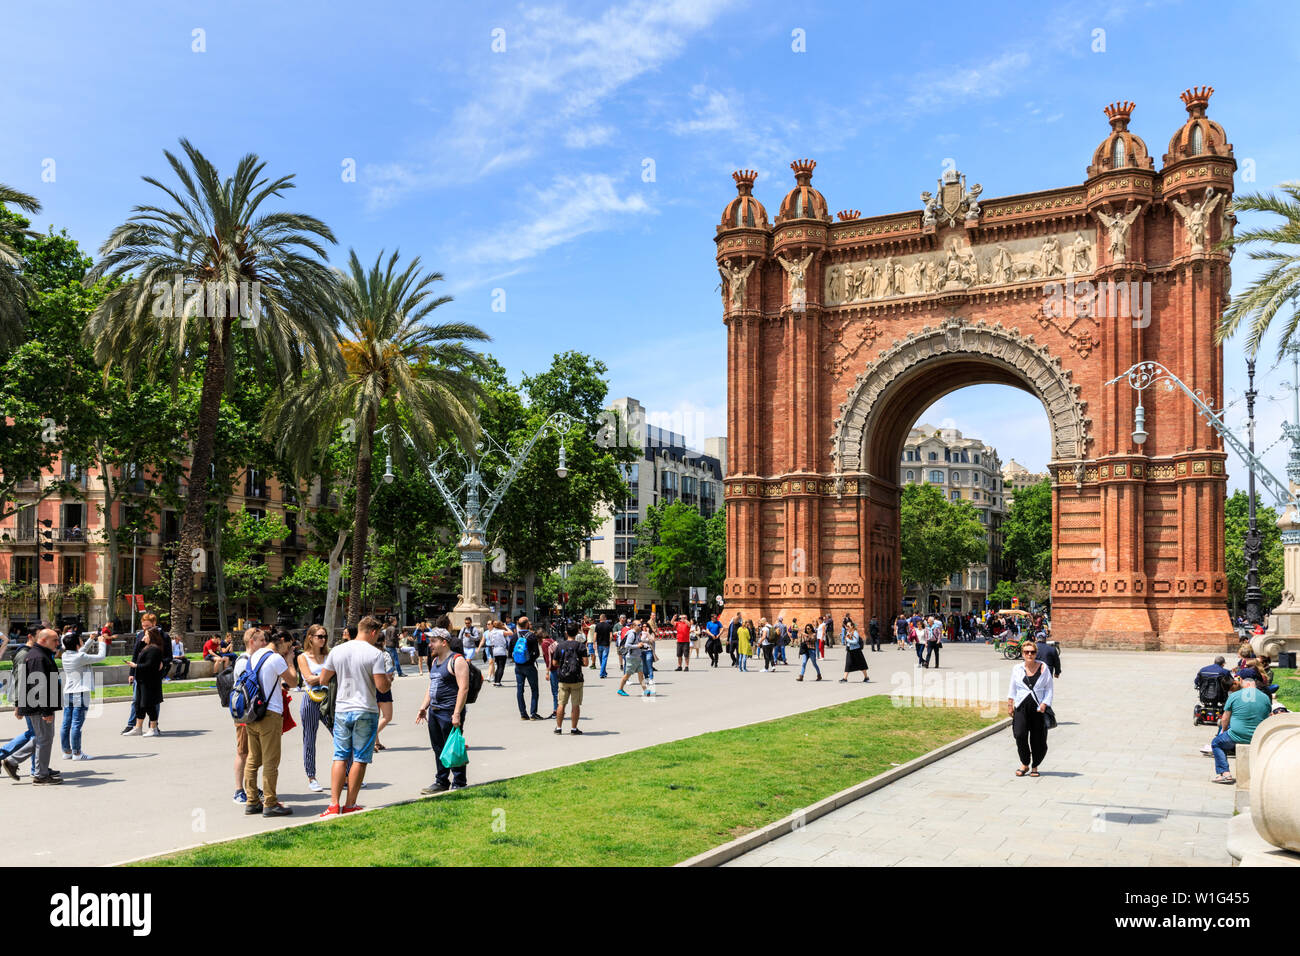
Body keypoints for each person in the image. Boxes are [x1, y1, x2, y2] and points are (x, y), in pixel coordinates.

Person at [318, 616, 389, 815]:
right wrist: (389, 680)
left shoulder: (338, 650)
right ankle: (350, 804)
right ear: (373, 632)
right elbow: (381, 686)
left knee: (340, 756)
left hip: (342, 707)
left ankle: (333, 804)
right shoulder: (375, 654)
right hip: (365, 708)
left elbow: (323, 678)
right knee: (359, 758)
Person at [232, 628, 298, 816]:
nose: (289, 649)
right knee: (271, 760)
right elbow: (293, 682)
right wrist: (290, 662)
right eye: (289, 645)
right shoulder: (276, 658)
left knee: (253, 759)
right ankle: (270, 802)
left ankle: (252, 801)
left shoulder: (254, 656)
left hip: (254, 713)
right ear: (283, 641)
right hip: (270, 714)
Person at [416, 627, 471, 793]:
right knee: (438, 748)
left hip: (449, 711)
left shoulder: (457, 660)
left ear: (444, 642)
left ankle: (459, 782)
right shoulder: (435, 661)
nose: (430, 644)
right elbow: (432, 686)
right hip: (434, 711)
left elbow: (464, 688)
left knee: (453, 747)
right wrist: (423, 707)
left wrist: (456, 713)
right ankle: (441, 781)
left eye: (433, 641)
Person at [1208, 672, 1273, 784]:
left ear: (1246, 685)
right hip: (1258, 736)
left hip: (1237, 735)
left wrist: (1223, 731)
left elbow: (1225, 719)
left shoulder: (1234, 696)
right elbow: (1268, 717)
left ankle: (1225, 774)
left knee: (1216, 743)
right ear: (1254, 685)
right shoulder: (1265, 698)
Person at [16, 628, 62, 784]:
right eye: (54, 640)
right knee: (44, 739)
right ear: (43, 640)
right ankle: (41, 775)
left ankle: (13, 760)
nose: (58, 643)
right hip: (39, 707)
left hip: (39, 706)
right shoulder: (38, 657)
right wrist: (46, 710)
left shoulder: (39, 654)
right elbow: (39, 685)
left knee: (42, 738)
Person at [1008, 640, 1054, 777]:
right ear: (1022, 653)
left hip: (1038, 708)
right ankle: (1025, 762)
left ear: (1036, 654)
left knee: (1038, 738)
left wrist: (1045, 703)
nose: (1029, 654)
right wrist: (1010, 704)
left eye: (1032, 652)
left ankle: (1035, 765)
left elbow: (1049, 689)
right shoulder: (1017, 668)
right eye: (1027, 652)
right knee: (1019, 734)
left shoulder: (1043, 668)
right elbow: (1012, 687)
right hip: (1021, 706)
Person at [60, 631, 108, 760]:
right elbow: (101, 657)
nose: (82, 641)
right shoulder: (80, 657)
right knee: (76, 724)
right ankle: (77, 753)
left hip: (68, 692)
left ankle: (67, 751)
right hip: (79, 693)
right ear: (76, 644)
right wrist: (102, 643)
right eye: (80, 640)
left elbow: (80, 651)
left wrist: (90, 640)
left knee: (66, 724)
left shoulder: (65, 655)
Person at [121, 612, 170, 734]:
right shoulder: (141, 636)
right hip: (140, 673)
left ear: (154, 624)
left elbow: (169, 656)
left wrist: (162, 662)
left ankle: (153, 726)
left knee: (153, 701)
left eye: (147, 626)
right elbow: (136, 655)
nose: (144, 629)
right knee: (136, 700)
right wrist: (132, 673)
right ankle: (133, 725)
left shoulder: (163, 636)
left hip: (153, 673)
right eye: (143, 626)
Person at [296, 625, 330, 792]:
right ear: (310, 637)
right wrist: (326, 676)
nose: (323, 639)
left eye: (324, 636)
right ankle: (312, 777)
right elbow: (308, 679)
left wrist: (319, 677)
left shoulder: (328, 655)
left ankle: (346, 775)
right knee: (309, 738)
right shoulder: (303, 657)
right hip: (310, 699)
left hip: (328, 701)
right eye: (319, 636)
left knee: (340, 735)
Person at [553, 620, 588, 735]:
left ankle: (558, 727)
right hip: (576, 678)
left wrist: (562, 665)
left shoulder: (560, 645)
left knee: (561, 703)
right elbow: (586, 663)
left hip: (563, 678)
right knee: (575, 704)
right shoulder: (580, 646)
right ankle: (573, 728)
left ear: (566, 632)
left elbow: (554, 663)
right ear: (577, 633)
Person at [512, 617, 542, 720]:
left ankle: (523, 714)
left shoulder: (514, 636)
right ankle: (533, 713)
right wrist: (530, 659)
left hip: (518, 667)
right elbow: (537, 653)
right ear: (527, 625)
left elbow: (510, 652)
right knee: (534, 689)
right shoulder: (531, 636)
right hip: (529, 666)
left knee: (520, 689)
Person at [616, 622, 648, 696]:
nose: (640, 626)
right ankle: (620, 690)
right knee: (627, 675)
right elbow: (627, 645)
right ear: (633, 626)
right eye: (639, 625)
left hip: (637, 657)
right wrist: (637, 646)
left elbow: (638, 644)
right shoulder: (631, 634)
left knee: (641, 674)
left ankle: (645, 690)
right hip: (631, 658)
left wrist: (642, 646)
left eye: (641, 625)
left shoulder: (637, 634)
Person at [540, 624, 559, 720]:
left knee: (555, 691)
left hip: (554, 669)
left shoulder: (544, 644)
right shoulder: (552, 641)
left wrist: (547, 672)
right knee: (559, 690)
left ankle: (556, 711)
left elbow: (548, 659)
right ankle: (560, 709)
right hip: (561, 667)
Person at [485, 619, 510, 686]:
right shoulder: (502, 631)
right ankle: (498, 682)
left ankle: (496, 681)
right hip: (501, 649)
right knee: (501, 667)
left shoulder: (490, 632)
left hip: (495, 649)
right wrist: (506, 627)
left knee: (498, 666)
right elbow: (511, 633)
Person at [593, 613, 614, 678]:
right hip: (606, 644)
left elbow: (595, 635)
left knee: (601, 658)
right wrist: (609, 642)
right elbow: (611, 636)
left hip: (599, 644)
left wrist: (594, 643)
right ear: (605, 618)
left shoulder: (597, 625)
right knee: (604, 658)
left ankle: (603, 672)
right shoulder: (609, 626)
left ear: (600, 618)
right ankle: (602, 673)